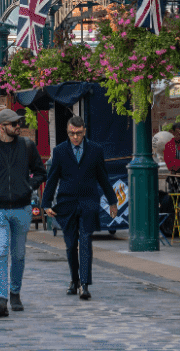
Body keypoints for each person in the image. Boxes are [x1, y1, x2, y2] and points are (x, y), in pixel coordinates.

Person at [0, 109, 47, 317]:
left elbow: (41, 172)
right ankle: (2, 298)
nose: (19, 126)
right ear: (2, 127)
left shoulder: (27, 146)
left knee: (18, 254)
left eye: (19, 123)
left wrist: (27, 186)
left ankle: (15, 292)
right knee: (0, 251)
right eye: (14, 123)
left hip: (22, 208)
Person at [42, 115, 118, 300]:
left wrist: (112, 201)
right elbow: (52, 179)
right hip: (66, 203)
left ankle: (85, 284)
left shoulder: (95, 150)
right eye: (71, 133)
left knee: (85, 241)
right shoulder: (59, 151)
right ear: (67, 132)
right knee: (70, 245)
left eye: (78, 133)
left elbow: (103, 178)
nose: (75, 137)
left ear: (84, 131)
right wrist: (46, 203)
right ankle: (74, 280)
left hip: (88, 202)